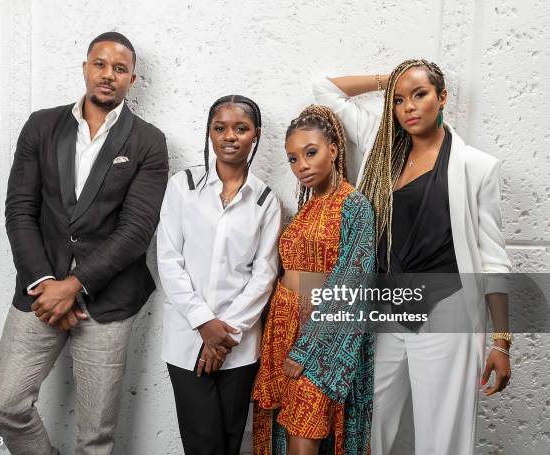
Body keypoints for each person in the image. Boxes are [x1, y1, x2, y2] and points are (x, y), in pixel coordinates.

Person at [312, 59, 512, 455]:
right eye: (399, 100)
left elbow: (494, 259)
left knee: (443, 437)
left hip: (447, 309)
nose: (409, 107)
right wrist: (392, 79)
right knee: (368, 426)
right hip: (386, 308)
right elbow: (324, 88)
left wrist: (502, 342)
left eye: (419, 94)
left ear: (442, 97)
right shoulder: (379, 147)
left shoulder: (476, 167)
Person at [0, 32, 169, 454]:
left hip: (107, 300)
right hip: (40, 291)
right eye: (100, 64)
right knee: (5, 404)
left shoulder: (148, 141)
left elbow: (137, 230)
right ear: (85, 68)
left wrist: (75, 286)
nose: (109, 75)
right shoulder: (41, 125)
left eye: (119, 69)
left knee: (96, 436)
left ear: (132, 79)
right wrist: (48, 283)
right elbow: (20, 210)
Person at [157, 95, 282, 455]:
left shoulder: (265, 200)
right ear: (209, 134)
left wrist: (225, 333)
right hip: (186, 340)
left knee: (228, 442)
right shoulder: (184, 185)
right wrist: (203, 323)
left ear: (255, 135)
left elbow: (264, 273)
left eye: (241, 129)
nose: (230, 136)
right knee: (203, 444)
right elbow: (168, 258)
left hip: (239, 346)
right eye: (220, 127)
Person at [252, 105, 376, 455]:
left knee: (305, 431)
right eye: (292, 159)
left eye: (310, 153)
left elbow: (351, 284)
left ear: (334, 150)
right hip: (282, 329)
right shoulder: (308, 207)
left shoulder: (354, 206)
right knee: (284, 434)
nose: (301, 165)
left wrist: (309, 348)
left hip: (322, 343)